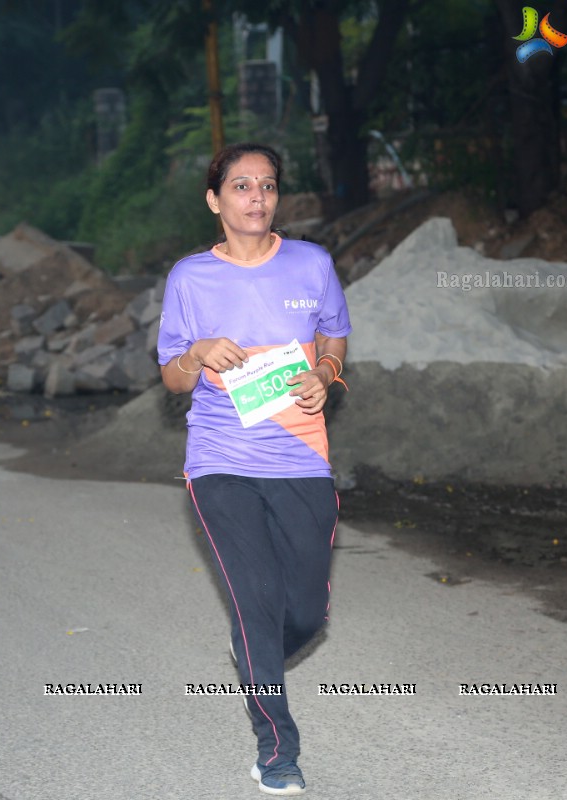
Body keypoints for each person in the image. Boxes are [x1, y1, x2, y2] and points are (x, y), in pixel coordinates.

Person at [157, 143, 351, 796]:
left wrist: (326, 375)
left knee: (304, 614)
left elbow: (333, 337)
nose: (256, 197)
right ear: (215, 201)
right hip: (220, 462)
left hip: (301, 460)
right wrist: (200, 353)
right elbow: (172, 377)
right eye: (240, 186)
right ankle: (277, 751)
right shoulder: (190, 279)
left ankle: (256, 652)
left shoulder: (311, 265)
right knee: (255, 602)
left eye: (267, 185)